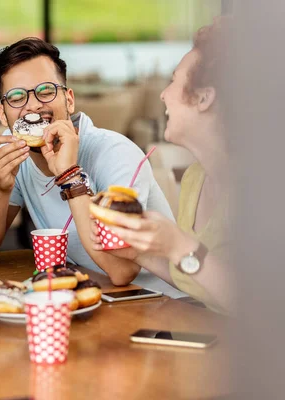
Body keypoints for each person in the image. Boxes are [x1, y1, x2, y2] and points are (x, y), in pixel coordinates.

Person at [0, 37, 179, 296]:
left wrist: (69, 175)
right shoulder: (17, 159)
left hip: (155, 306)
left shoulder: (115, 153)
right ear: (2, 114)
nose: (32, 106)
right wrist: (0, 189)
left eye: (45, 91)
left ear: (69, 100)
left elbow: (122, 271)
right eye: (17, 97)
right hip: (86, 296)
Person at [89, 19, 233, 314]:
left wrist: (179, 245)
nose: (163, 94)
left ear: (205, 98)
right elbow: (197, 278)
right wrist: (138, 251)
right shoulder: (196, 178)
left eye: (174, 81)